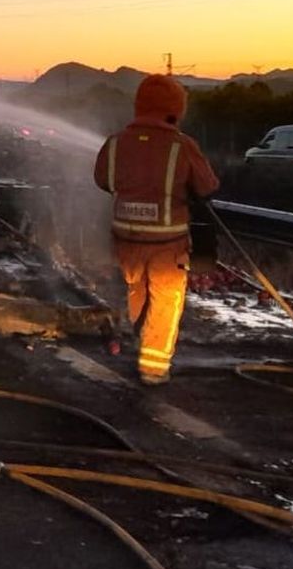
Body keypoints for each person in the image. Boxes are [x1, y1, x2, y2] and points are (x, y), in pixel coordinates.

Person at [94, 73, 220, 385]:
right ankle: (153, 369)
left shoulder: (115, 143)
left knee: (138, 291)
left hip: (125, 240)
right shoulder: (182, 146)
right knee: (166, 300)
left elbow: (103, 181)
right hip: (167, 242)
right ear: (175, 109)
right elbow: (207, 186)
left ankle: (141, 345)